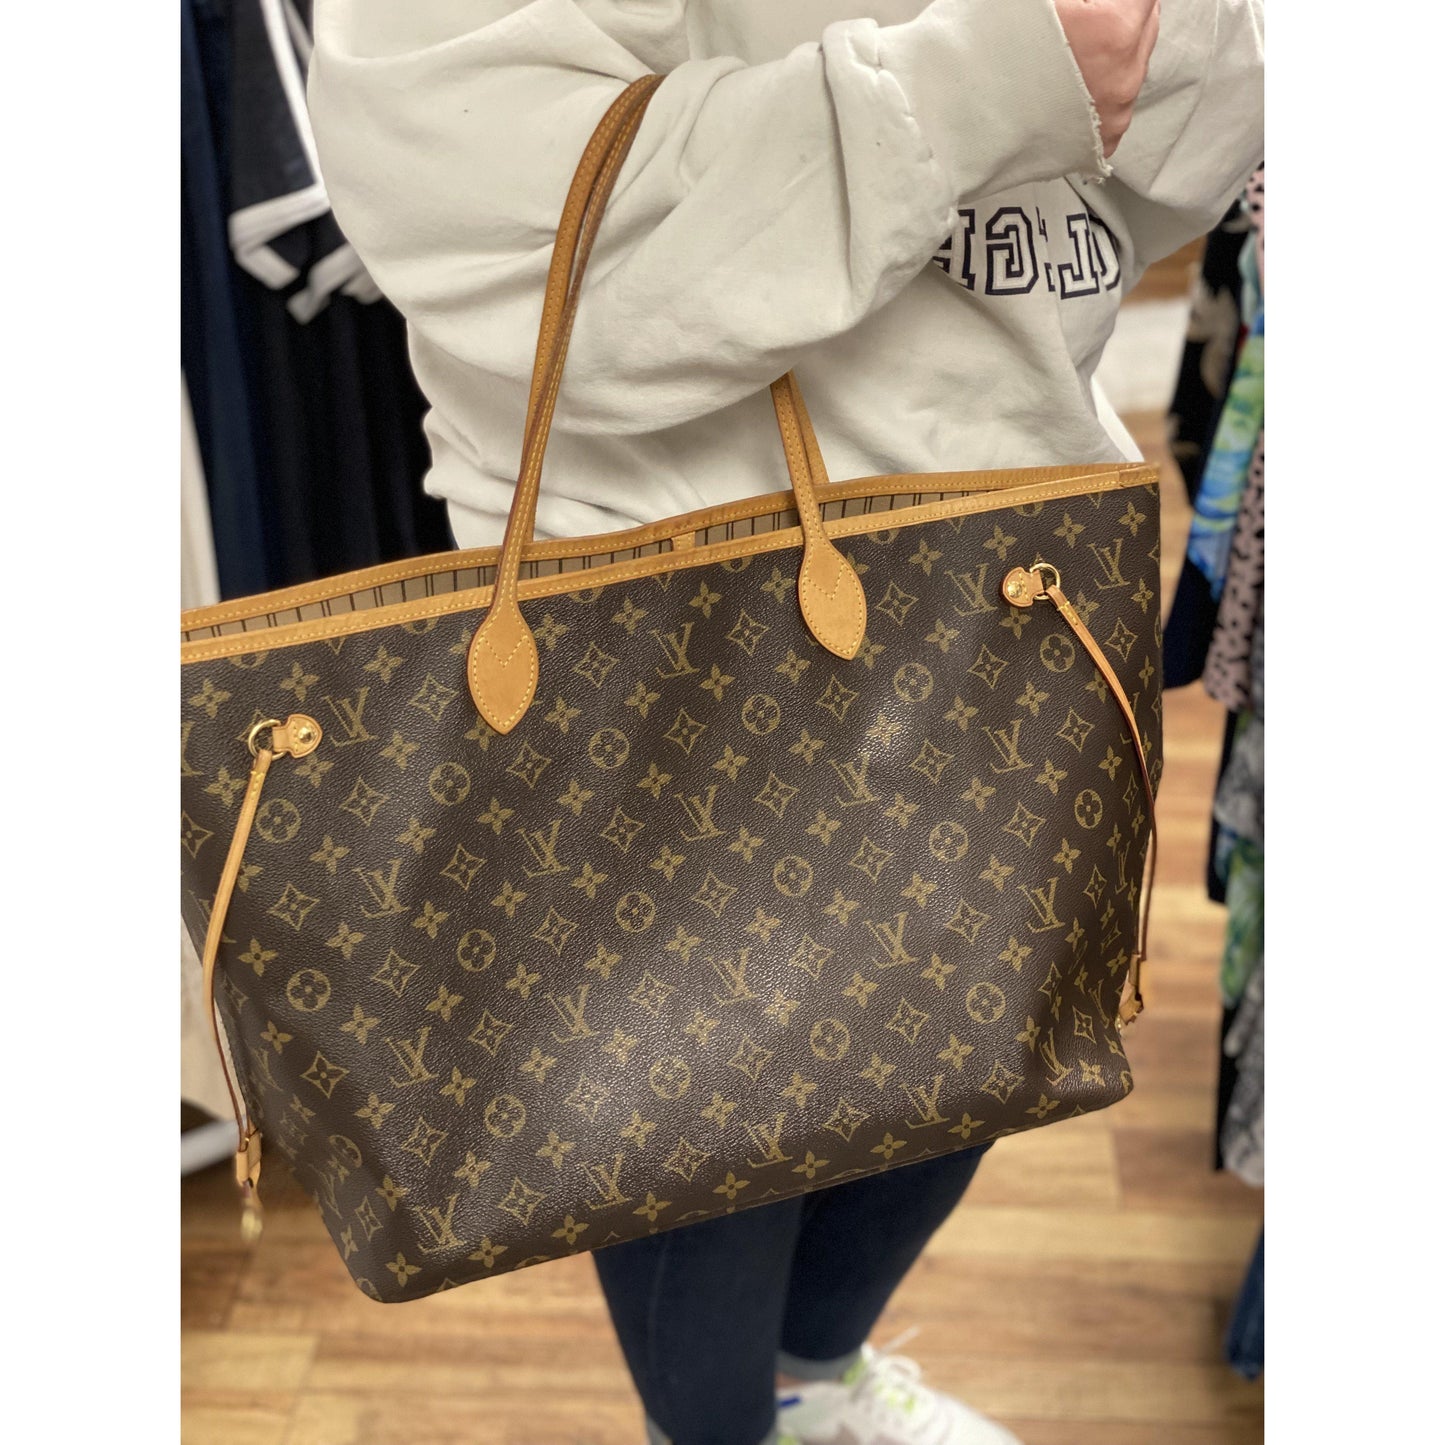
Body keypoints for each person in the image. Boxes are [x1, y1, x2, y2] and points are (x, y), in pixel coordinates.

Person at [306, 3, 1264, 1441]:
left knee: (984, 1045)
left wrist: (1121, 67)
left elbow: (1182, 140)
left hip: (1015, 549)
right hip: (664, 588)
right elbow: (504, 220)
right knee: (692, 1120)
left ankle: (813, 1382)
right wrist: (1003, 77)